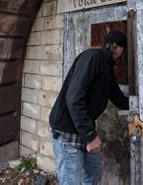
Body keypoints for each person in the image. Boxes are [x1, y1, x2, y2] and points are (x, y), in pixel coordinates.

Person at [49, 30, 129, 185]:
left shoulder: (106, 66)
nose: (122, 54)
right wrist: (90, 136)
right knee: (71, 180)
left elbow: (117, 96)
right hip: (68, 130)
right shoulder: (92, 58)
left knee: (93, 173)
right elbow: (73, 99)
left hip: (82, 129)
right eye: (122, 49)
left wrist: (139, 105)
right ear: (117, 47)